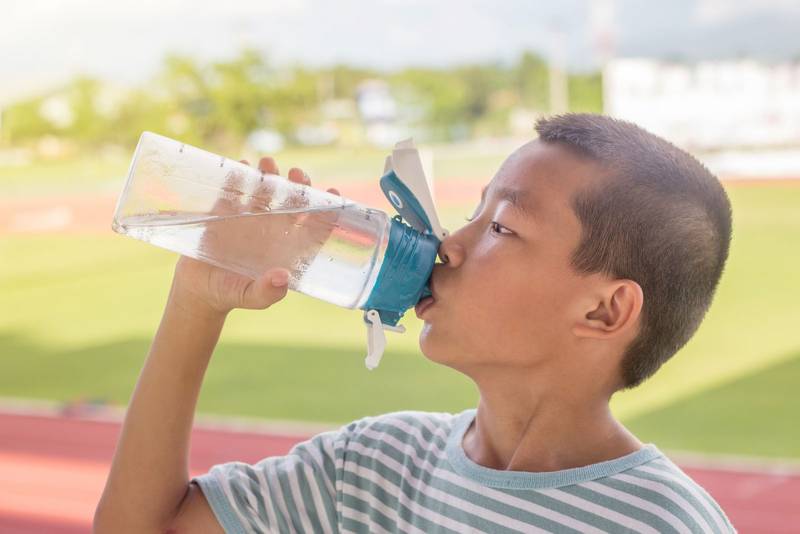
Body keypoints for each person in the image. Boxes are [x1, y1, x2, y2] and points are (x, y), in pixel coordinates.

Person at [94, 113, 736, 533]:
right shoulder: (374, 465)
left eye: (502, 228)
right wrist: (196, 300)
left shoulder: (665, 523)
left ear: (604, 310)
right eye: (473, 213)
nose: (449, 245)